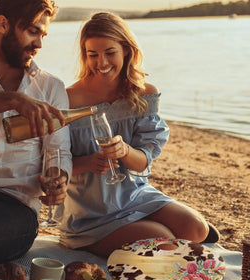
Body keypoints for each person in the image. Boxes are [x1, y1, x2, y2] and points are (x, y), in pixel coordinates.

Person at [55, 12, 219, 258]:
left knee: (197, 229)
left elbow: (144, 160)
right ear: (84, 55)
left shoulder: (143, 94)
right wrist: (89, 162)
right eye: (93, 54)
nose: (101, 62)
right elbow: (54, 163)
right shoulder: (68, 99)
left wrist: (124, 151)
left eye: (110, 53)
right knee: (165, 243)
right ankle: (85, 241)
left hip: (134, 194)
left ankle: (144, 228)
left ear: (126, 50)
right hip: (90, 211)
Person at [0, 0, 72, 270]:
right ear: (3, 25)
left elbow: (59, 151)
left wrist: (59, 177)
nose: (39, 44)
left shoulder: (51, 88)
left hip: (14, 206)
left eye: (43, 35)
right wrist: (11, 100)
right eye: (33, 31)